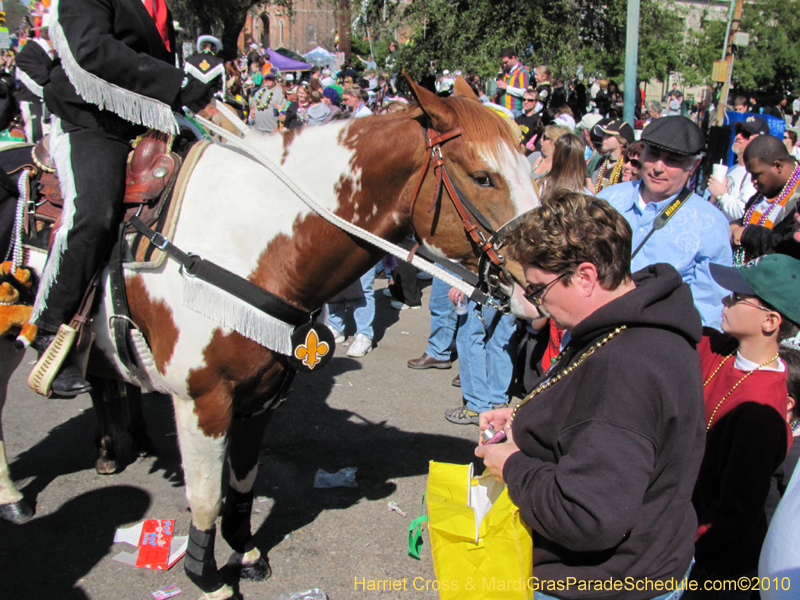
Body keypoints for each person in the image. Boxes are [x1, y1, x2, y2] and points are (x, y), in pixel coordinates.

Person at [478, 190, 704, 598]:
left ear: (585, 276)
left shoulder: (627, 366)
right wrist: (526, 419)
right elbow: (603, 426)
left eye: (537, 290)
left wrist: (511, 464)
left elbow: (587, 514)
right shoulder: (634, 321)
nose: (536, 304)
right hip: (643, 563)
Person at [29, 0, 213, 397]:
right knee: (94, 213)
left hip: (149, 120)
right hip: (89, 122)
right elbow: (91, 50)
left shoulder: (160, 4)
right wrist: (175, 83)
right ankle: (51, 330)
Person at [690, 255, 799, 594]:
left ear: (770, 321)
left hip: (716, 567)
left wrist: (680, 543)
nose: (725, 300)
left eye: (738, 297)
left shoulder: (763, 409)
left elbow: (735, 512)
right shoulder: (721, 349)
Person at [598, 116, 732, 330]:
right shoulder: (607, 201)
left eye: (673, 160)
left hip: (656, 345)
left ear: (694, 165)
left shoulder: (710, 224)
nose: (658, 167)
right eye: (653, 154)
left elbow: (710, 308)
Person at [730, 134, 800, 263]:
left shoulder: (796, 198)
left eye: (756, 175)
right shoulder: (770, 189)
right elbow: (752, 217)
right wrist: (736, 225)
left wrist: (749, 234)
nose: (753, 181)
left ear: (777, 166)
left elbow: (790, 247)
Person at [707, 115, 767, 222]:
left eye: (746, 134)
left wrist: (721, 195)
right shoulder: (733, 169)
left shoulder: (754, 174)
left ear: (758, 140)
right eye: (738, 131)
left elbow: (743, 213)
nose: (738, 136)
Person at [15, 13, 54, 143]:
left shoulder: (57, 51)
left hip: (50, 104)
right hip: (35, 104)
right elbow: (43, 78)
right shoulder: (28, 53)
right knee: (37, 140)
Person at [591, 118, 634, 193]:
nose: (604, 138)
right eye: (604, 135)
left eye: (609, 135)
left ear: (622, 141)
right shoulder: (602, 161)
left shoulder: (625, 166)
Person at [183, 35, 226, 101]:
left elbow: (184, 82)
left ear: (201, 47)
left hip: (193, 101)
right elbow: (222, 88)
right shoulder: (219, 62)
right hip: (212, 101)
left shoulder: (189, 61)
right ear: (213, 48)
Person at [495, 48, 530, 118]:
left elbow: (524, 92)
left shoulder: (523, 72)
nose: (504, 65)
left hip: (514, 110)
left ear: (513, 58)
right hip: (503, 108)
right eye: (503, 63)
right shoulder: (506, 71)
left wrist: (507, 87)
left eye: (506, 62)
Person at [248, 67, 283, 133]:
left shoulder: (280, 93)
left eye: (270, 79)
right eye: (266, 78)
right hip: (258, 128)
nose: (268, 80)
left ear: (275, 80)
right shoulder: (259, 92)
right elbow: (255, 103)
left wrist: (278, 126)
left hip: (272, 130)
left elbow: (283, 110)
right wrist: (253, 108)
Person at [516, 87, 542, 153]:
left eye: (530, 100)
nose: (526, 102)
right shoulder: (517, 119)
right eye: (524, 99)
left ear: (536, 102)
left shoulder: (539, 121)